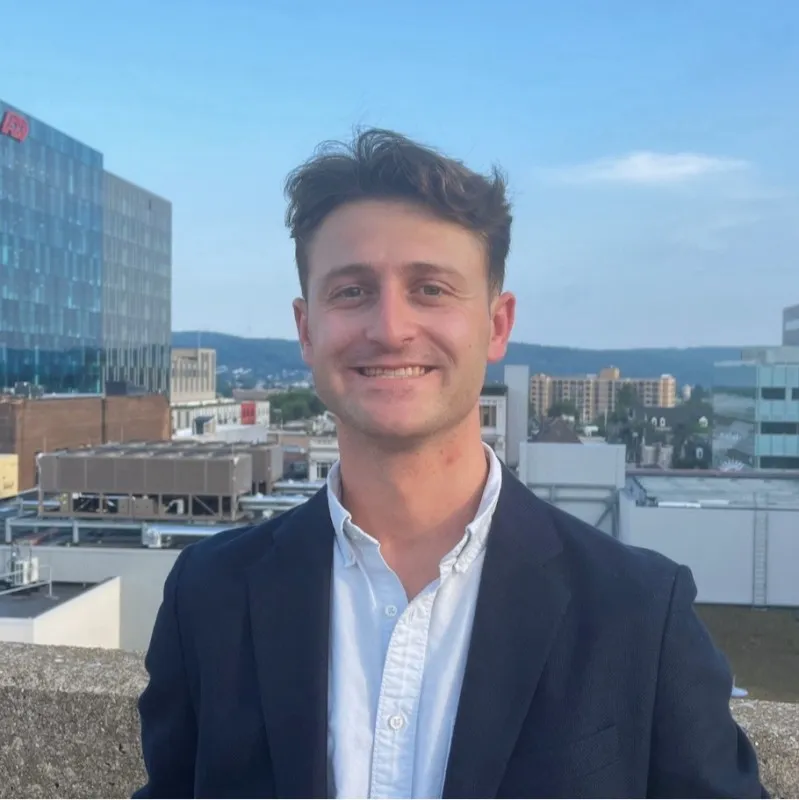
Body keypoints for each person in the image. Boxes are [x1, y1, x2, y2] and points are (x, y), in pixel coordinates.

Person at [134, 129, 767, 799]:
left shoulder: (637, 612)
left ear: (496, 325)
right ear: (305, 328)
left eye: (431, 289)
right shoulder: (208, 597)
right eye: (351, 292)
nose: (390, 327)